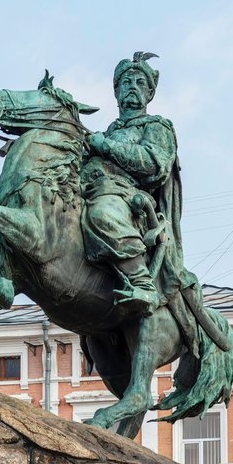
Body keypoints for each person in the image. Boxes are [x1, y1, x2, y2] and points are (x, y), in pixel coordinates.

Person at [81, 52, 180, 316]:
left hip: (127, 197)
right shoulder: (108, 131)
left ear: (149, 93)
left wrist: (107, 147)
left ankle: (143, 284)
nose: (132, 88)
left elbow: (153, 163)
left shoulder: (156, 125)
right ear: (116, 91)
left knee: (103, 214)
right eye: (126, 83)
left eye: (139, 83)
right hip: (87, 190)